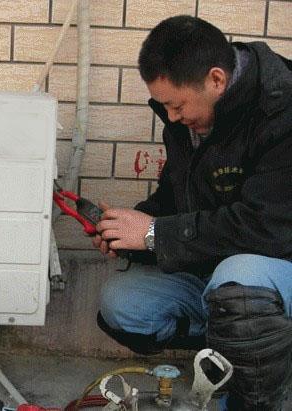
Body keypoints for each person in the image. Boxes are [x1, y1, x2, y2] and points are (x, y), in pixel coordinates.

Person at [93, 15, 292, 411]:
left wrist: (154, 233)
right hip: (218, 274)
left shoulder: (282, 110)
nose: (171, 117)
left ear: (216, 80)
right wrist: (127, 231)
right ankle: (238, 345)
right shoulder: (193, 121)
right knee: (121, 301)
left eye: (177, 105)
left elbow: (266, 227)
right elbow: (175, 200)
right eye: (165, 106)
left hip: (271, 268)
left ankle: (252, 398)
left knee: (240, 287)